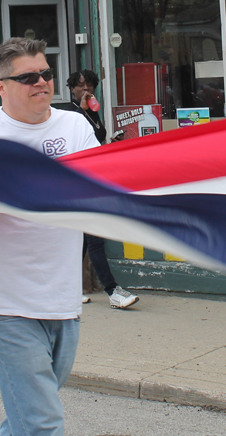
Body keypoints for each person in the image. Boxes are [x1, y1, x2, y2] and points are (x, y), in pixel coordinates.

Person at [0, 37, 100, 436]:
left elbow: (101, 187)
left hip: (61, 295)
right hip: (2, 298)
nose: (41, 82)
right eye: (28, 77)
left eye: (45, 73)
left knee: (27, 415)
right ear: (1, 86)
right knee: (42, 421)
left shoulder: (75, 126)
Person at [67, 70, 139, 309]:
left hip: (94, 179)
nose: (85, 89)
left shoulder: (94, 113)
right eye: (79, 86)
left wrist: (110, 146)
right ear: (72, 89)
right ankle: (112, 290)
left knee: (85, 241)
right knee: (94, 238)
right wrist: (81, 109)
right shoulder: (70, 114)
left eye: (89, 85)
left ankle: (68, 289)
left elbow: (92, 144)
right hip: (79, 183)